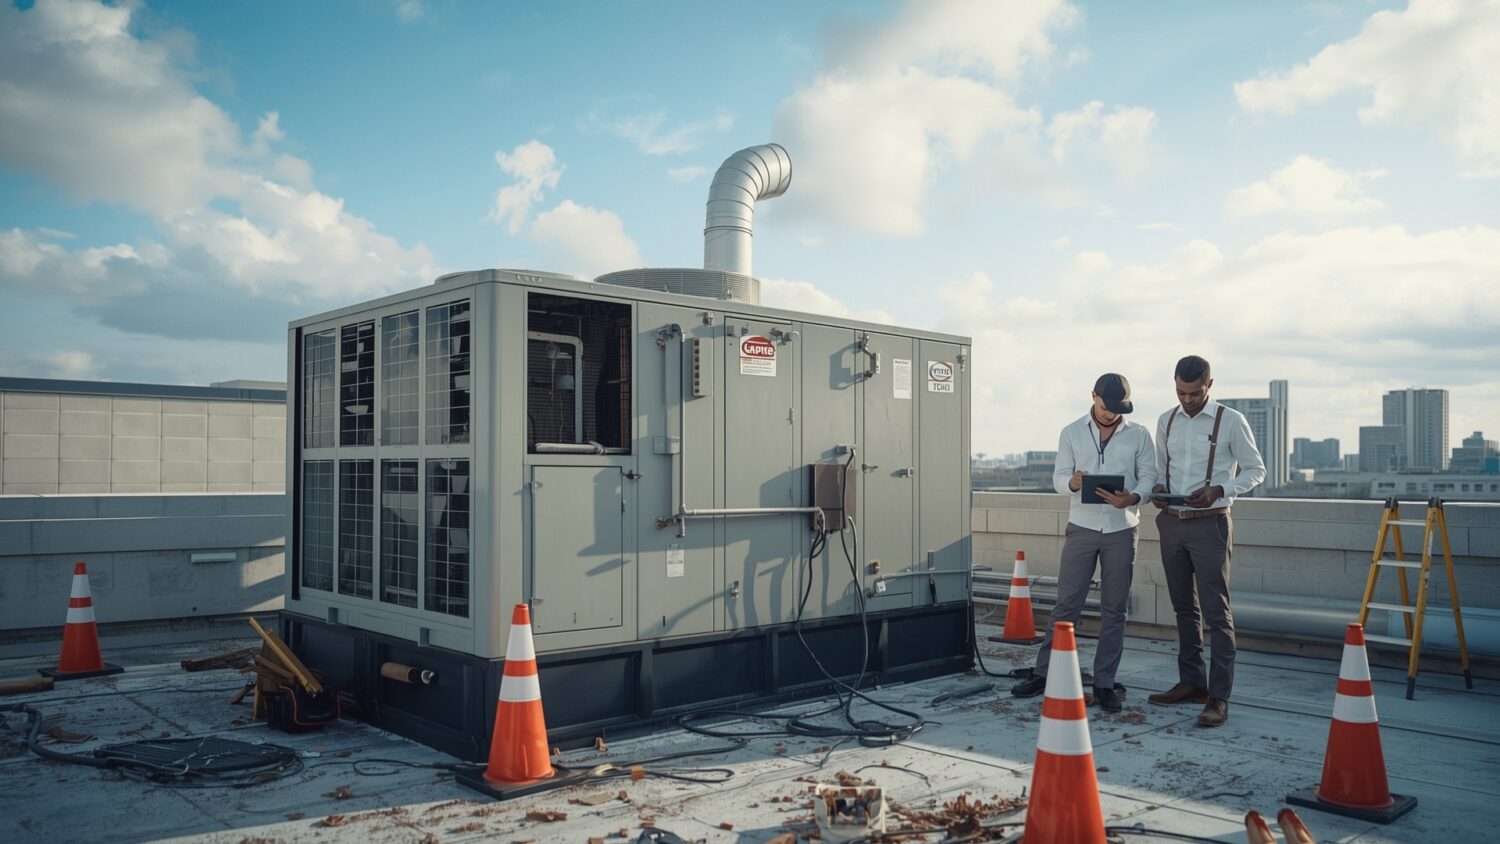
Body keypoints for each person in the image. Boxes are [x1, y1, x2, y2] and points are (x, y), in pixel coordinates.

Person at [1011, 373, 1157, 713]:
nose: (1112, 415)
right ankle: (1044, 674)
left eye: (1119, 409)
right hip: (1082, 526)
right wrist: (1073, 483)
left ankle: (1105, 683)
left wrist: (1133, 496)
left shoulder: (1139, 434)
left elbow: (1150, 476)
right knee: (1067, 605)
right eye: (1107, 408)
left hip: (1122, 528)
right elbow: (1058, 478)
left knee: (1114, 609)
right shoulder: (1071, 432)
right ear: (1093, 396)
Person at [1147, 355, 1265, 727]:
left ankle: (1218, 696)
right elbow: (1157, 468)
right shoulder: (1165, 420)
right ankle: (1191, 682)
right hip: (1171, 522)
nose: (1187, 400)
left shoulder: (1231, 420)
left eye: (1194, 393)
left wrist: (1220, 489)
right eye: (1181, 393)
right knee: (1183, 609)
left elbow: (1257, 470)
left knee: (1217, 613)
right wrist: (1158, 488)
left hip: (1211, 524)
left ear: (1209, 386)